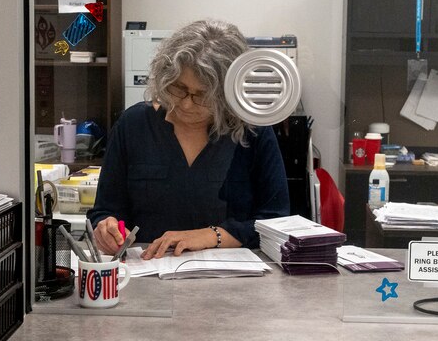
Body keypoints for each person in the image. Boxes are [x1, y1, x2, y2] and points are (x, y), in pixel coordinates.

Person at [88, 18, 290, 260]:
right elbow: (104, 210)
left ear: (228, 94)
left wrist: (210, 236)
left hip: (235, 281)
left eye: (202, 95)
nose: (185, 103)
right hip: (148, 274)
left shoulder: (253, 131)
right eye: (178, 88)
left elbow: (276, 220)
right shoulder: (134, 126)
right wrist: (105, 228)